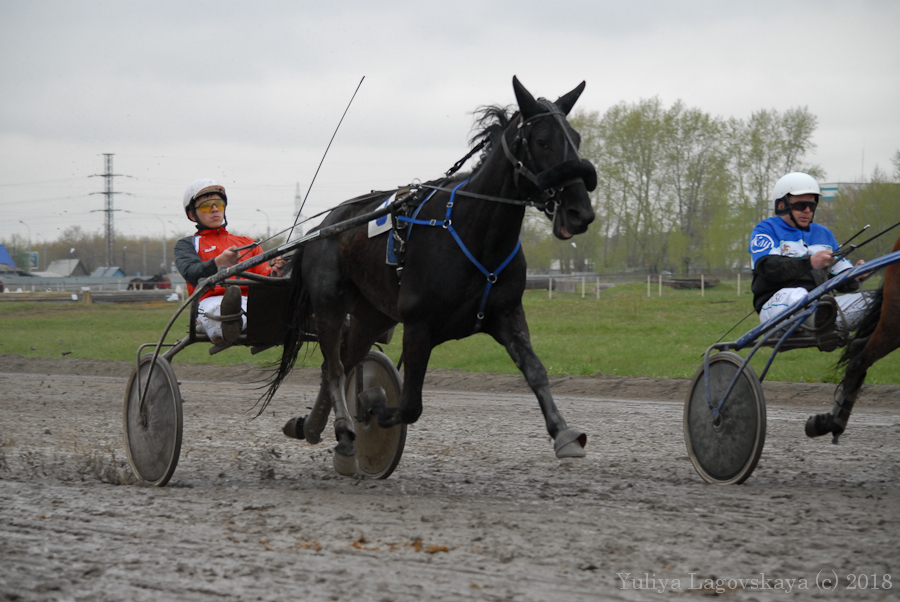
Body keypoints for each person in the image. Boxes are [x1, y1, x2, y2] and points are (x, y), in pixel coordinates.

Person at [748, 172, 869, 349]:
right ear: (781, 205)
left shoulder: (824, 234)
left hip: (824, 306)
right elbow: (767, 268)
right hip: (776, 306)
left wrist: (857, 276)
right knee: (800, 295)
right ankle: (821, 324)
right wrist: (809, 263)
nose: (807, 211)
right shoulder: (766, 229)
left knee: (876, 301)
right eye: (801, 205)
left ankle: (825, 324)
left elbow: (841, 280)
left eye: (811, 206)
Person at [174, 178, 272, 345]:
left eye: (218, 204)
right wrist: (218, 263)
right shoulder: (187, 245)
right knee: (223, 310)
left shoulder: (247, 243)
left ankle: (242, 319)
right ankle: (233, 318)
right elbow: (191, 273)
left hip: (251, 301)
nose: (214, 209)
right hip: (210, 301)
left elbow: (267, 278)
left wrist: (280, 270)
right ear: (192, 214)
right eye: (207, 206)